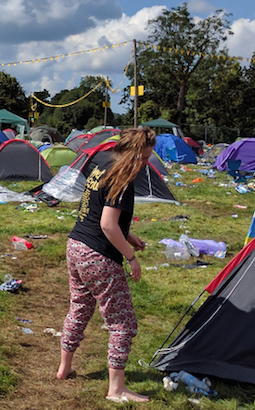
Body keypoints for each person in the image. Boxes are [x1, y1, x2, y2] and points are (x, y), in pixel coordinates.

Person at [56, 126, 155, 404]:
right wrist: (131, 257)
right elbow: (107, 224)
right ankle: (116, 389)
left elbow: (96, 211)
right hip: (97, 255)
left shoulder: (102, 165)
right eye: (145, 159)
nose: (146, 164)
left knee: (79, 307)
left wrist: (128, 236)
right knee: (122, 322)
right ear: (133, 155)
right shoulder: (122, 179)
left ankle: (65, 368)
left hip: (76, 247)